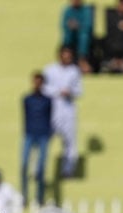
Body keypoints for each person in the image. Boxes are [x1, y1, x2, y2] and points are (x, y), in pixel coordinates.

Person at [43, 46, 82, 177]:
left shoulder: (74, 71)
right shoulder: (49, 70)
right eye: (64, 55)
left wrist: (69, 92)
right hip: (52, 108)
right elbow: (44, 88)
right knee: (45, 139)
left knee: (70, 141)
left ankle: (68, 170)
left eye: (69, 56)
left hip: (68, 108)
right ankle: (40, 169)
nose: (66, 58)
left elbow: (79, 91)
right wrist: (58, 91)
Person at [21, 71, 52, 206]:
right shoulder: (27, 99)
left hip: (43, 135)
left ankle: (39, 197)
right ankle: (25, 196)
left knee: (41, 168)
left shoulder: (47, 100)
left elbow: (49, 117)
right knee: (24, 165)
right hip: (29, 134)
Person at [61, 0, 94, 73]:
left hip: (81, 34)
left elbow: (88, 26)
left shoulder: (86, 10)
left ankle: (82, 60)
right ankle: (67, 58)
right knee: (67, 35)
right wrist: (71, 26)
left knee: (84, 37)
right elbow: (64, 25)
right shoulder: (67, 11)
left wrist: (77, 26)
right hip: (71, 34)